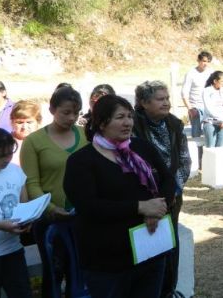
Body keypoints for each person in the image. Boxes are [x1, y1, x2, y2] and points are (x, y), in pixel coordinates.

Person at [64, 95, 175, 298]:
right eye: (120, 117)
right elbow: (88, 206)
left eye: (130, 116)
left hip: (150, 249)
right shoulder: (81, 161)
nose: (127, 123)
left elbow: (168, 180)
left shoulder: (142, 148)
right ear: (102, 123)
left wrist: (158, 208)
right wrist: (140, 207)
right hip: (108, 260)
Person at [20, 86, 86, 298]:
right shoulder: (34, 141)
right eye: (65, 112)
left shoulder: (85, 135)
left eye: (76, 113)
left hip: (82, 216)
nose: (71, 118)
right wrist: (50, 208)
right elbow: (32, 182)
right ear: (52, 110)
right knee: (54, 272)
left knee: (81, 272)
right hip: (50, 221)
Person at [133, 80, 191, 298]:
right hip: (143, 199)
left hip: (172, 198)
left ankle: (168, 290)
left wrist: (174, 191)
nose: (166, 103)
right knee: (147, 249)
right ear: (144, 103)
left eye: (167, 98)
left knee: (171, 245)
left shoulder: (174, 124)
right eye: (160, 99)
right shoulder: (133, 126)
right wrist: (153, 198)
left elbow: (184, 160)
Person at [0, 128, 33, 298]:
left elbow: (24, 202)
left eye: (9, 154)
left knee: (22, 293)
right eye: (0, 156)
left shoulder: (15, 170)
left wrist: (28, 218)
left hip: (14, 249)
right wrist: (1, 225)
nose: (6, 160)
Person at [181, 51, 212, 139]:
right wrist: (190, 108)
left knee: (209, 134)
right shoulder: (191, 74)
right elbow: (184, 92)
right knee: (196, 135)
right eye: (204, 61)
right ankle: (198, 152)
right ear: (198, 60)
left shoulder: (211, 73)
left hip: (208, 108)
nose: (205, 63)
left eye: (208, 61)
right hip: (195, 108)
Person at [201, 71, 223, 148]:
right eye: (221, 81)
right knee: (211, 147)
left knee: (220, 146)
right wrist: (220, 119)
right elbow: (209, 108)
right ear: (215, 81)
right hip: (210, 121)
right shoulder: (206, 91)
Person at [9, 100, 42, 166]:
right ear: (12, 123)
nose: (24, 127)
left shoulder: (46, 141)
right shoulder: (4, 143)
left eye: (29, 122)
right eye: (19, 122)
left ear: (38, 122)